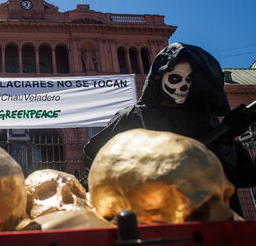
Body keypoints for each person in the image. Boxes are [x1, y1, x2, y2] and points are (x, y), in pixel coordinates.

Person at [84, 42, 256, 215]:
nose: (184, 87)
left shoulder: (203, 119)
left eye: (190, 80)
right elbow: (96, 160)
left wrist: (226, 137)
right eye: (176, 78)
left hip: (205, 214)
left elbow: (229, 171)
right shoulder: (132, 117)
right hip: (150, 217)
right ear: (158, 77)